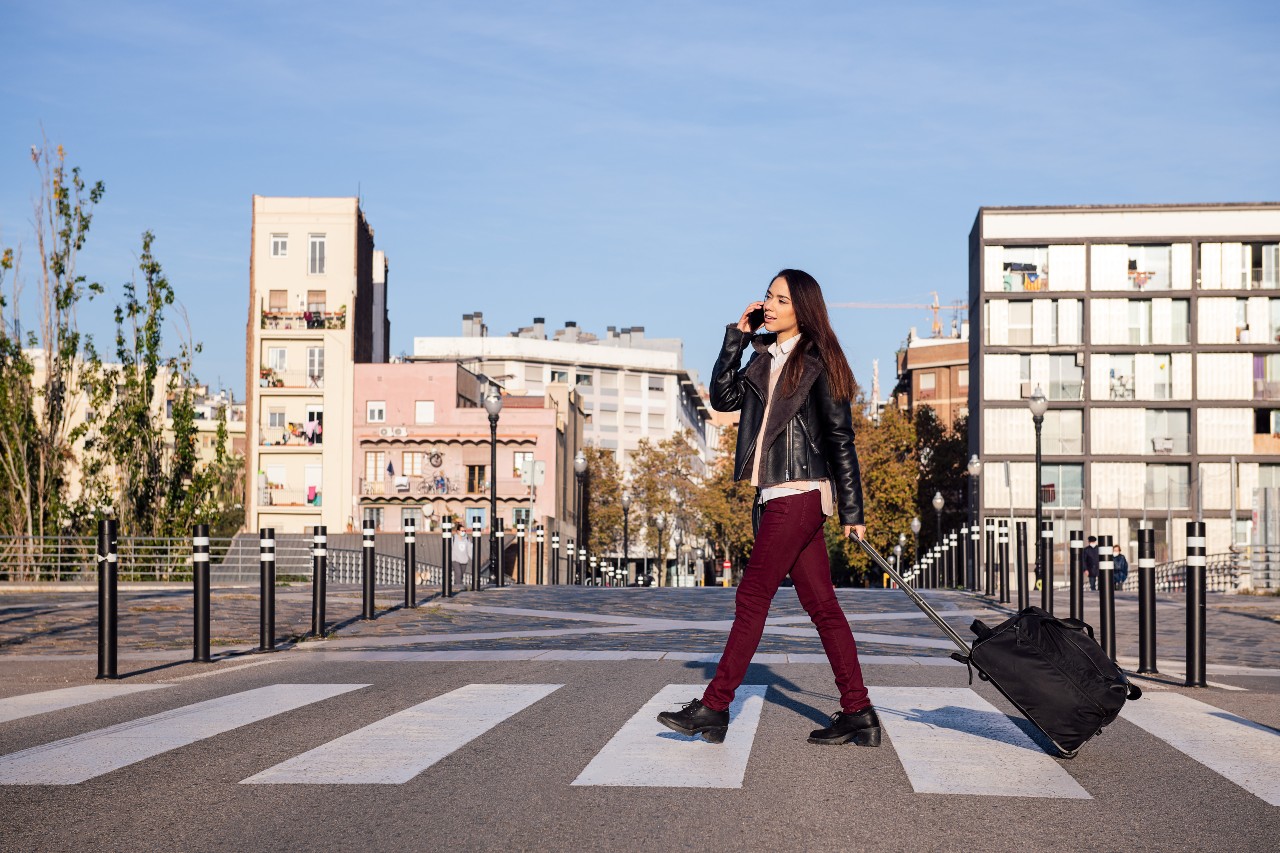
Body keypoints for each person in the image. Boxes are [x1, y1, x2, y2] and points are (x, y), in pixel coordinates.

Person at [657, 269, 878, 747]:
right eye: (767, 296)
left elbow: (841, 438)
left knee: (752, 598)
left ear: (803, 309)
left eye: (780, 299)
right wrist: (736, 338)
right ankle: (858, 710)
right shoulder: (762, 357)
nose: (769, 305)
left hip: (798, 492)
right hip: (777, 494)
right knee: (823, 606)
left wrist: (853, 512)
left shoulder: (819, 361)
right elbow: (722, 397)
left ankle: (715, 707)